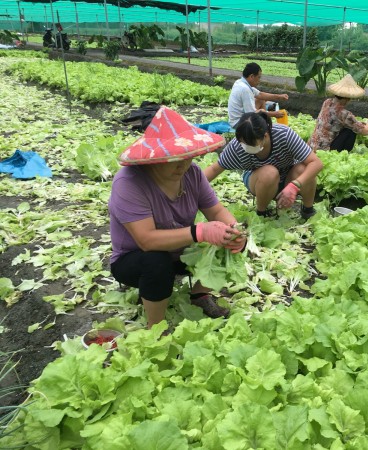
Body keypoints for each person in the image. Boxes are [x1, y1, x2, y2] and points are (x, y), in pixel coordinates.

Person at [109, 106, 246, 329]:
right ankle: (157, 328)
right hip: (134, 258)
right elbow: (146, 240)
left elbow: (217, 211)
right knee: (156, 261)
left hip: (180, 251)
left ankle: (200, 295)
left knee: (227, 238)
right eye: (173, 159)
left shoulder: (192, 174)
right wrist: (199, 231)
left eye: (187, 157)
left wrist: (234, 230)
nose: (182, 164)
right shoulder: (129, 182)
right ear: (155, 157)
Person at [204, 111, 323, 219]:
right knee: (269, 172)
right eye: (242, 143)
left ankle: (308, 209)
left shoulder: (284, 135)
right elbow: (215, 169)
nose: (245, 147)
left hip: (288, 176)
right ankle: (261, 212)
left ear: (265, 136)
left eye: (250, 144)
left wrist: (295, 185)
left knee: (304, 169)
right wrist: (192, 187)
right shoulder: (237, 146)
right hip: (258, 181)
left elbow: (316, 163)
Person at [308, 74, 368, 152]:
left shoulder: (327, 102)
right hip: (325, 149)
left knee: (350, 126)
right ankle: (342, 153)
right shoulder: (345, 114)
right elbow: (365, 131)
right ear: (347, 98)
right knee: (351, 131)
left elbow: (336, 121)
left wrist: (361, 123)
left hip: (312, 146)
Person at [228, 62, 289, 128]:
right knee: (262, 112)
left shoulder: (240, 82)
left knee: (261, 100)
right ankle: (263, 126)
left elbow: (260, 94)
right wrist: (274, 114)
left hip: (237, 119)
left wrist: (279, 97)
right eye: (258, 77)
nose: (259, 80)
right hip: (238, 123)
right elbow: (251, 114)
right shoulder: (245, 89)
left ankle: (264, 123)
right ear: (252, 76)